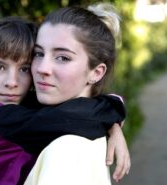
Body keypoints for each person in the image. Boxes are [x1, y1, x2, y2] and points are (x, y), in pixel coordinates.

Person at [0, 16, 128, 185]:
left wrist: (113, 125)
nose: (12, 82)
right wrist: (114, 111)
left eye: (24, 69)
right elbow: (72, 118)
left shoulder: (10, 107)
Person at [20, 3, 129, 184]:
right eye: (38, 53)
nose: (42, 68)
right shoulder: (90, 130)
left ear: (96, 72)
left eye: (63, 57)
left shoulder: (65, 149)